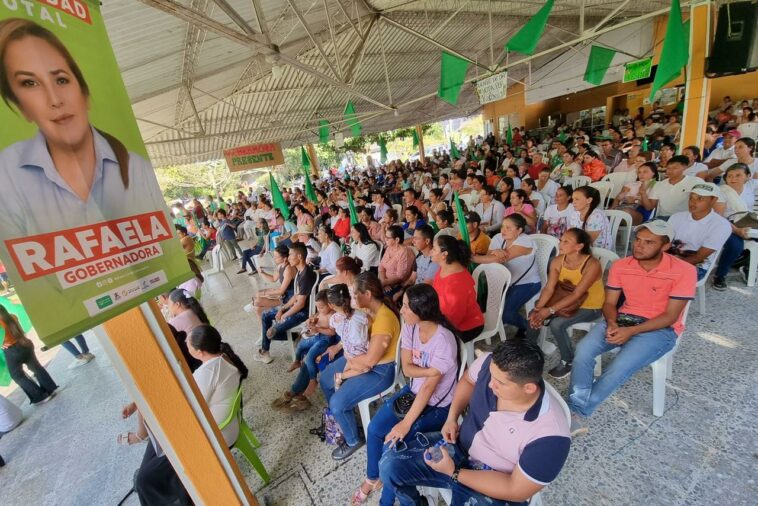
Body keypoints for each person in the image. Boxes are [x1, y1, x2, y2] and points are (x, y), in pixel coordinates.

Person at [378, 339, 571, 505]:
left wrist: (453, 473)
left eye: (500, 383)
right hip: (458, 446)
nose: (489, 384)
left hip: (494, 480)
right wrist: (452, 417)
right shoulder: (490, 364)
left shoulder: (551, 436)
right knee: (389, 465)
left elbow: (516, 489)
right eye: (491, 375)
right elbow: (468, 381)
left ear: (528, 388)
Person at [568, 221, 696, 435]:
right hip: (623, 319)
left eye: (649, 242)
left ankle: (576, 411)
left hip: (661, 329)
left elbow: (670, 316)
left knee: (619, 366)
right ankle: (574, 409)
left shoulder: (684, 271)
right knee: (583, 350)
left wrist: (630, 332)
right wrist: (612, 323)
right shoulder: (622, 265)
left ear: (664, 246)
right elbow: (609, 304)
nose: (639, 246)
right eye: (638, 240)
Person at [352, 285, 459, 505]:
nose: (401, 310)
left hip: (438, 407)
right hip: (414, 392)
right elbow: (407, 369)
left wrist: (405, 424)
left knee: (391, 445)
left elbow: (430, 389)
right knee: (374, 430)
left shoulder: (445, 341)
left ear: (422, 311)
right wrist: (431, 371)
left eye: (406, 307)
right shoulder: (411, 326)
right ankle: (373, 479)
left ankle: (386, 501)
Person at [134, 324, 248, 506]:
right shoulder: (223, 358)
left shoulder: (208, 372)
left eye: (188, 343)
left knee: (145, 478)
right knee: (154, 450)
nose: (185, 344)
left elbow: (187, 409)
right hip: (223, 426)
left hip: (215, 436)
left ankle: (173, 491)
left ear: (200, 351)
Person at [319, 272, 401, 460]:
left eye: (356, 294)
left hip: (380, 370)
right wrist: (340, 346)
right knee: (325, 379)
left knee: (337, 403)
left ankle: (353, 439)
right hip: (359, 357)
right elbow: (351, 332)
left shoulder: (384, 319)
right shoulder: (366, 311)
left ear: (368, 294)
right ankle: (346, 418)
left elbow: (370, 362)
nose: (352, 298)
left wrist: (348, 365)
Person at [528, 228, 604, 378]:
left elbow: (577, 294)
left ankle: (568, 360)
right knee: (533, 314)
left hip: (590, 306)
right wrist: (539, 308)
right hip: (565, 299)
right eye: (561, 240)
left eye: (566, 241)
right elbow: (549, 288)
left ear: (579, 246)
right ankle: (529, 351)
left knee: (557, 324)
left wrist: (549, 310)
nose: (560, 243)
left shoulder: (592, 264)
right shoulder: (558, 260)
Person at [473, 215, 541, 338]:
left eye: (508, 228)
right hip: (507, 283)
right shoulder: (499, 238)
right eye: (503, 226)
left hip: (528, 283)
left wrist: (470, 258)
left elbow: (495, 258)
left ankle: (529, 327)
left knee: (506, 314)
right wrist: (495, 252)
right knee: (489, 308)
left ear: (519, 230)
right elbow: (490, 258)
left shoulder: (525, 241)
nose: (503, 230)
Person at [255, 242, 317, 364]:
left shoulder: (305, 275)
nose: (288, 258)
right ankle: (266, 351)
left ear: (299, 256)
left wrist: (285, 315)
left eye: (290, 255)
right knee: (265, 316)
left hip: (303, 312)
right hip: (296, 307)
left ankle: (291, 336)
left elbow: (300, 304)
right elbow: (295, 296)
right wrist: (282, 309)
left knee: (270, 333)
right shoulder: (300, 271)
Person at [275, 290, 336, 411]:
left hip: (326, 341)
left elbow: (332, 332)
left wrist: (318, 329)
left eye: (321, 307)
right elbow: (315, 318)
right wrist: (310, 322)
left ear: (330, 305)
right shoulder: (322, 311)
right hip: (318, 337)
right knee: (301, 346)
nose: (319, 309)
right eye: (318, 306)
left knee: (309, 357)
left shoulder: (332, 315)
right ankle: (297, 365)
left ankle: (311, 382)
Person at [667, 183, 731, 281]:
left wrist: (666, 266)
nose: (693, 202)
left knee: (661, 277)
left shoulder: (721, 225)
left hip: (696, 266)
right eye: (691, 198)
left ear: (713, 200)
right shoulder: (677, 217)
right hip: (669, 259)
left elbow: (699, 258)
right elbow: (663, 243)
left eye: (700, 198)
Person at [0, 305, 59, 405]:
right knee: (36, 368)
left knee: (17, 376)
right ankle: (50, 389)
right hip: (25, 344)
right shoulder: (12, 316)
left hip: (13, 351)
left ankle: (40, 397)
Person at [430, 235, 484, 342]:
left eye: (434, 249)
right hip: (444, 318)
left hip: (467, 326)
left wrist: (433, 328)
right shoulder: (444, 268)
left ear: (444, 254)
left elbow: (454, 318)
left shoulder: (457, 282)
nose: (431, 251)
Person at [713, 163, 755, 290]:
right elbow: (719, 217)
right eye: (730, 175)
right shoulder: (721, 191)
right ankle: (720, 275)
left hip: (748, 222)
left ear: (747, 177)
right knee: (735, 245)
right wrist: (737, 230)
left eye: (738, 175)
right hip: (726, 224)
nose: (733, 178)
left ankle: (749, 266)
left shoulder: (750, 189)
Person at [643, 155, 715, 219]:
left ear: (684, 168)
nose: (670, 171)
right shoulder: (659, 185)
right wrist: (643, 193)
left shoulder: (695, 182)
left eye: (675, 168)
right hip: (662, 218)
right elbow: (650, 207)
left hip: (685, 218)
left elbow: (705, 201)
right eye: (668, 168)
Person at [248, 244, 295, 318]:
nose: (274, 259)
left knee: (258, 300)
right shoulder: (280, 265)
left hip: (289, 298)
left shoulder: (288, 269)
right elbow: (273, 279)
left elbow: (281, 291)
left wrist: (264, 293)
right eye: (274, 256)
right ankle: (265, 328)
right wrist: (262, 272)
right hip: (283, 295)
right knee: (257, 308)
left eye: (276, 257)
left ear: (285, 258)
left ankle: (253, 304)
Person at [379, 225, 416, 298]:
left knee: (378, 297)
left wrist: (384, 283)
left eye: (388, 238)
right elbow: (381, 267)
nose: (385, 239)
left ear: (397, 240)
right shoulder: (389, 248)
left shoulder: (405, 252)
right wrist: (383, 281)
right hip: (385, 282)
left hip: (398, 285)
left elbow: (400, 276)